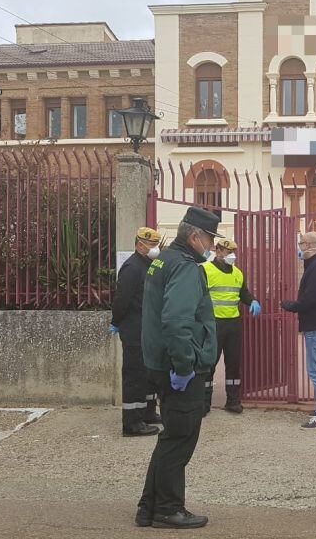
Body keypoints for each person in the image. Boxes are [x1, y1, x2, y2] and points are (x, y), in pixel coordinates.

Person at [135, 207, 221, 530]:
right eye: (210, 239)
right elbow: (176, 320)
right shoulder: (185, 267)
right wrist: (185, 364)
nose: (212, 246)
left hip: (160, 363)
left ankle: (149, 506)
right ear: (195, 237)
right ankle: (168, 509)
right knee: (181, 437)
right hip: (179, 368)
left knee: (170, 436)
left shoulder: (163, 261)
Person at [280, 231, 316, 429]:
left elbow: (310, 298)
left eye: (301, 243)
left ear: (309, 245)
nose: (299, 246)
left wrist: (290, 305)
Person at [110, 227, 164, 437]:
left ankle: (148, 412)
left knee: (147, 375)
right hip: (134, 330)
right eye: (151, 245)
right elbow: (121, 299)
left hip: (147, 330)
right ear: (140, 245)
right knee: (134, 377)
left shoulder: (147, 265)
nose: (154, 249)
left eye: (155, 245)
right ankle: (132, 423)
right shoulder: (132, 267)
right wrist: (116, 321)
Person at [202, 238, 262, 414]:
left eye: (234, 252)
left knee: (234, 364)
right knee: (209, 363)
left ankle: (233, 401)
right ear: (218, 251)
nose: (232, 256)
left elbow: (243, 293)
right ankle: (204, 402)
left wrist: (253, 301)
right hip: (213, 324)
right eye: (229, 252)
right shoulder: (205, 270)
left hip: (233, 324)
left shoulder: (237, 272)